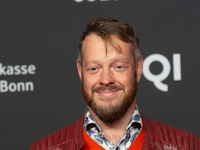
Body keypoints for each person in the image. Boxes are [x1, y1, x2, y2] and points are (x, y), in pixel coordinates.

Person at [29, 17, 200, 150]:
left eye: (118, 66)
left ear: (138, 68)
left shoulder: (186, 146)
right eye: (94, 68)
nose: (106, 80)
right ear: (81, 71)